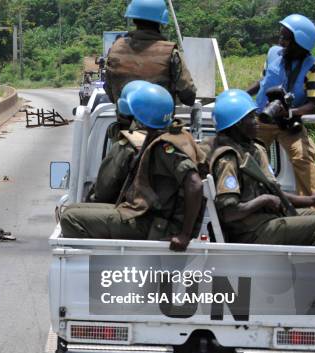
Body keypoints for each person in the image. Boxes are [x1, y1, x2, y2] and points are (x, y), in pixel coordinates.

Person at [61, 82, 206, 252]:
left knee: (70, 218)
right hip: (147, 216)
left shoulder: (165, 147)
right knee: (73, 209)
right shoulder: (173, 135)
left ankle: (103, 268)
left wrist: (184, 235)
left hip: (151, 222)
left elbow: (195, 184)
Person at [209, 89, 315, 246]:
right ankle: (308, 271)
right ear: (237, 125)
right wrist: (263, 200)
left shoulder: (255, 149)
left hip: (270, 219)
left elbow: (274, 192)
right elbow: (230, 213)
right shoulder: (228, 159)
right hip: (251, 231)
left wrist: (312, 199)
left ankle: (301, 268)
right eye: (250, 117)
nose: (257, 121)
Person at [246, 14, 315, 196]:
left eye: (285, 39)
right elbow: (263, 81)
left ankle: (312, 207)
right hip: (261, 119)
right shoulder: (274, 54)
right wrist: (243, 95)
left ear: (300, 43)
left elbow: (314, 104)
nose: (280, 42)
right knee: (246, 152)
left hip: (288, 123)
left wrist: (290, 112)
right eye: (280, 37)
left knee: (303, 156)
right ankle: (250, 197)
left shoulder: (314, 66)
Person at [104, 0, 196, 106]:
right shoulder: (170, 53)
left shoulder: (115, 49)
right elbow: (189, 97)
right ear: (161, 22)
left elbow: (111, 94)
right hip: (160, 121)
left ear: (134, 19)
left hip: (124, 121)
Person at [88, 80, 148, 204]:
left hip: (137, 215)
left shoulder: (126, 147)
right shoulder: (179, 138)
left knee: (71, 216)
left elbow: (102, 193)